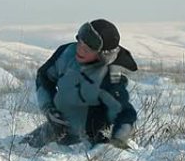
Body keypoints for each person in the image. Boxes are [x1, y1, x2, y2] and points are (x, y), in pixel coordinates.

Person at [22, 19, 137, 149]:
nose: (80, 49)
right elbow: (44, 77)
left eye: (87, 49)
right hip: (58, 125)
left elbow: (125, 114)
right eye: (80, 42)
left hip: (90, 139)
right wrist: (49, 109)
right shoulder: (66, 53)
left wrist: (117, 142)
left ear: (102, 55)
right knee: (20, 148)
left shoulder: (111, 76)